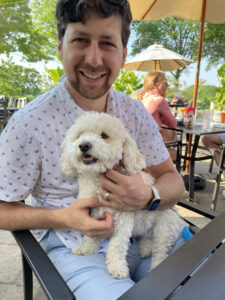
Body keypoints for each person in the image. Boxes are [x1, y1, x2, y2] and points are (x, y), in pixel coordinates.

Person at [0, 1, 185, 299]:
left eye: (108, 43)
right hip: (77, 245)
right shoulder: (27, 124)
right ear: (61, 47)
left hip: (149, 232)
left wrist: (151, 196)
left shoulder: (135, 113)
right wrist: (61, 218)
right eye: (81, 40)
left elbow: (174, 182)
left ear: (123, 55)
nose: (95, 59)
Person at [142, 71, 178, 159]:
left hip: (140, 145)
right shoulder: (159, 100)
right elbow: (173, 124)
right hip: (149, 150)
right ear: (154, 85)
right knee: (176, 153)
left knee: (168, 134)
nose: (168, 85)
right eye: (165, 82)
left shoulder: (143, 98)